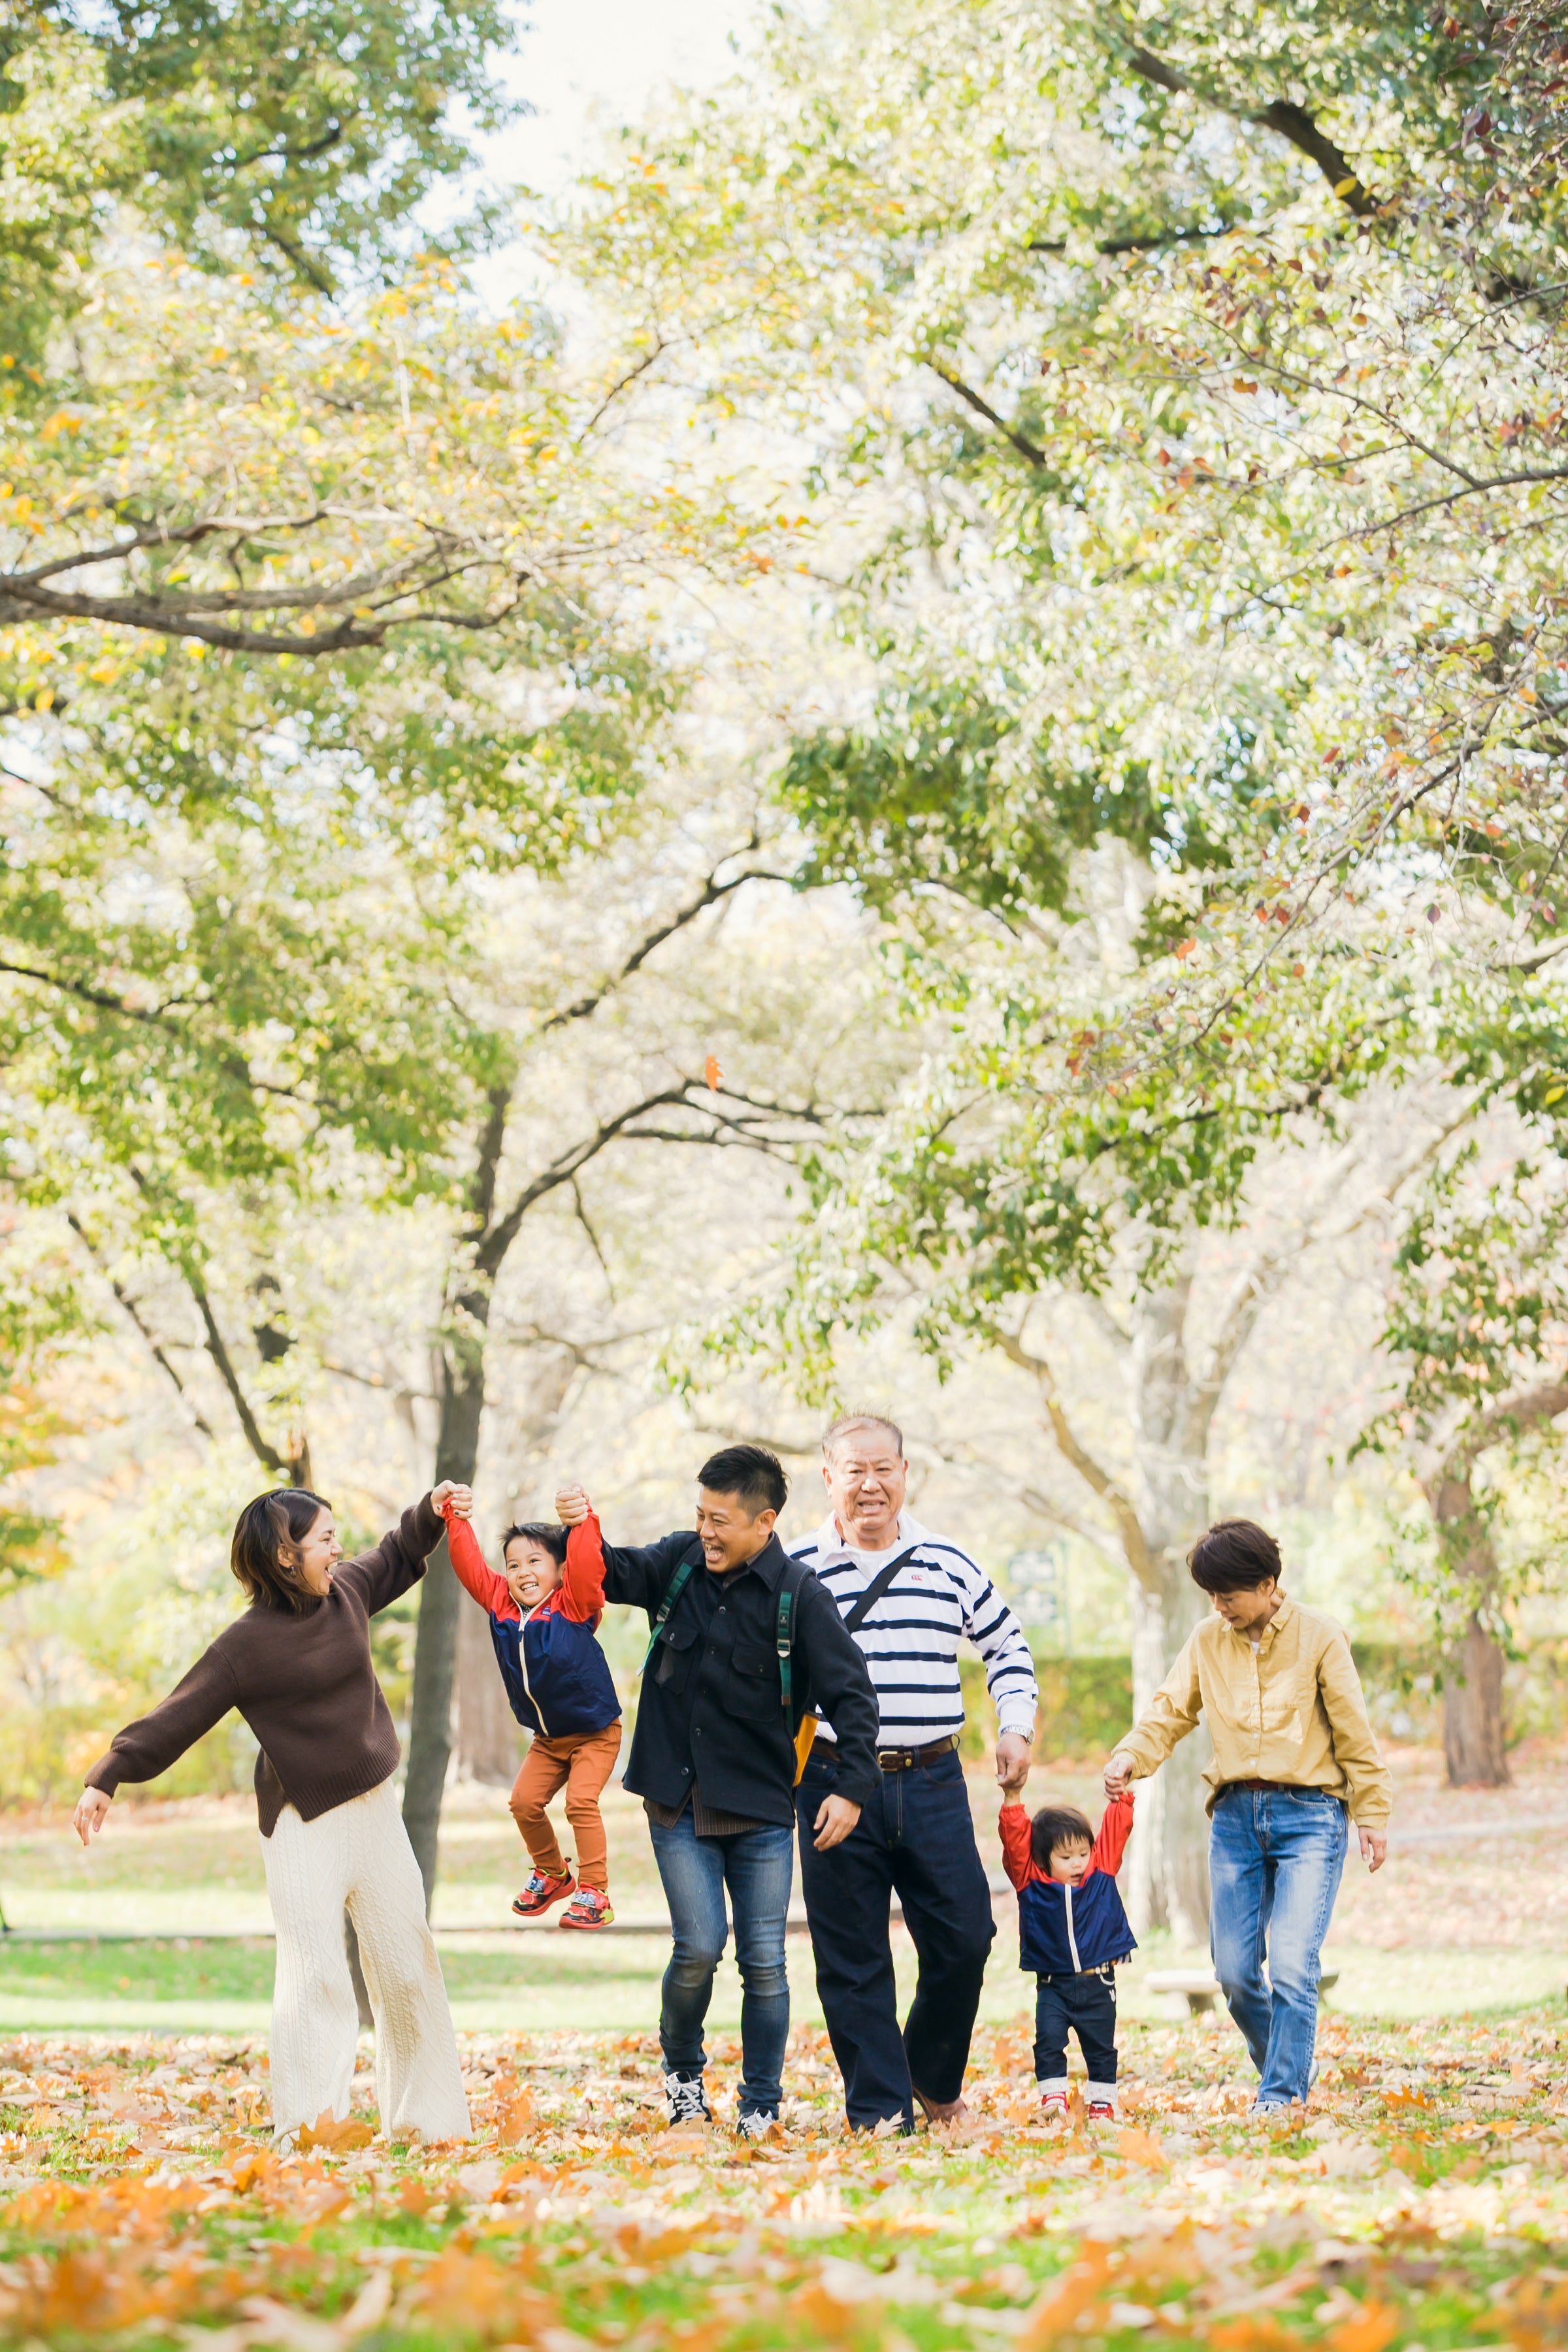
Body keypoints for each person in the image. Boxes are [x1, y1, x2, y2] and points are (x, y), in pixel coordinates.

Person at [72, 1484, 472, 2149]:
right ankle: (310, 2131)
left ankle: (427, 2124)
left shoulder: (347, 1593)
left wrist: (431, 1510)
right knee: (315, 1974)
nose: (337, 1549)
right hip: (302, 1823)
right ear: (287, 1556)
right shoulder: (245, 1646)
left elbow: (398, 1551)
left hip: (374, 1811)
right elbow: (181, 1713)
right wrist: (109, 1772)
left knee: (407, 1965)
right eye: (324, 1539)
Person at [555, 1445, 879, 2139]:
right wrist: (576, 1527)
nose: (705, 1531)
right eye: (700, 1515)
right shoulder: (679, 1563)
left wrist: (853, 1788)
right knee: (699, 1947)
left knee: (764, 1962)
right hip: (676, 1801)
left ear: (765, 1522)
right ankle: (683, 2080)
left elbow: (854, 1697)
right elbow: (608, 1570)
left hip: (761, 1808)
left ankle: (760, 2102)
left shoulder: (801, 1597)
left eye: (720, 1520)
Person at [788, 1413, 1039, 2131]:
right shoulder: (793, 1566)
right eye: (854, 1471)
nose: (870, 1485)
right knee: (852, 1953)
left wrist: (1015, 1725)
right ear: (828, 1477)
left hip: (932, 1779)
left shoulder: (948, 1562)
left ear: (904, 1474)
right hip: (833, 1780)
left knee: (966, 1937)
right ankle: (880, 2110)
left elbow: (1008, 1647)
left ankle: (930, 2077)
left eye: (883, 1469)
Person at [1104, 1517, 1392, 2115]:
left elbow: (1354, 1732)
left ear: (1267, 1585)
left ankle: (1282, 2095)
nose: (1219, 1606)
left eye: (1228, 1594)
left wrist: (1372, 1812)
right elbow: (1170, 1710)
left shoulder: (1320, 1637)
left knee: (1291, 1964)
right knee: (1234, 1974)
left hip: (1310, 1817)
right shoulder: (1208, 1640)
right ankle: (1290, 2067)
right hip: (1235, 1819)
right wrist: (1131, 1755)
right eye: (1211, 1595)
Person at [440, 1494, 621, 1930]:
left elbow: (587, 1564)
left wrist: (582, 1521)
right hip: (549, 1739)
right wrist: (455, 1518)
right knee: (523, 1803)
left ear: (560, 1571)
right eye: (514, 1565)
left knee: (580, 1803)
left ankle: (594, 1891)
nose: (523, 1572)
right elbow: (470, 1567)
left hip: (595, 1732)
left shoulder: (573, 1603)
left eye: (535, 1561)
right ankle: (553, 1873)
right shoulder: (501, 1604)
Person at [998, 1793, 1135, 2122]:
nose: (1078, 1863)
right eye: (1066, 1857)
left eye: (1083, 1853)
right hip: (1053, 1986)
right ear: (1043, 1861)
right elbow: (1016, 1843)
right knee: (1048, 2041)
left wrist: (1121, 1798)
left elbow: (1116, 1829)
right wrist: (1013, 1800)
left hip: (1097, 1983)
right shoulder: (1030, 1883)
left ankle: (1102, 2102)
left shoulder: (1100, 1873)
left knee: (1101, 2048)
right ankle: (1054, 2097)